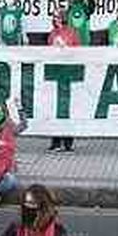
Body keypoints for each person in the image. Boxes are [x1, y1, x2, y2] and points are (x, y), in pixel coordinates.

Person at [46, 8, 79, 153]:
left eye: (57, 17)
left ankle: (68, 142)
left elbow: (78, 51)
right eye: (54, 17)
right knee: (54, 109)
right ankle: (55, 141)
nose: (55, 19)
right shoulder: (52, 34)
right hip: (55, 75)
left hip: (68, 75)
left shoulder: (72, 33)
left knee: (68, 110)